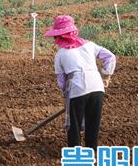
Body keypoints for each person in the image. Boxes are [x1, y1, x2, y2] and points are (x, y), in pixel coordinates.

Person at [44, 15, 116, 150]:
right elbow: (110, 57)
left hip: (77, 89)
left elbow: (61, 81)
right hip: (97, 87)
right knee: (93, 123)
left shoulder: (60, 55)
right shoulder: (90, 45)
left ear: (59, 37)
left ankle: (74, 153)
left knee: (74, 125)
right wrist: (106, 76)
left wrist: (66, 97)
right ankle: (91, 151)